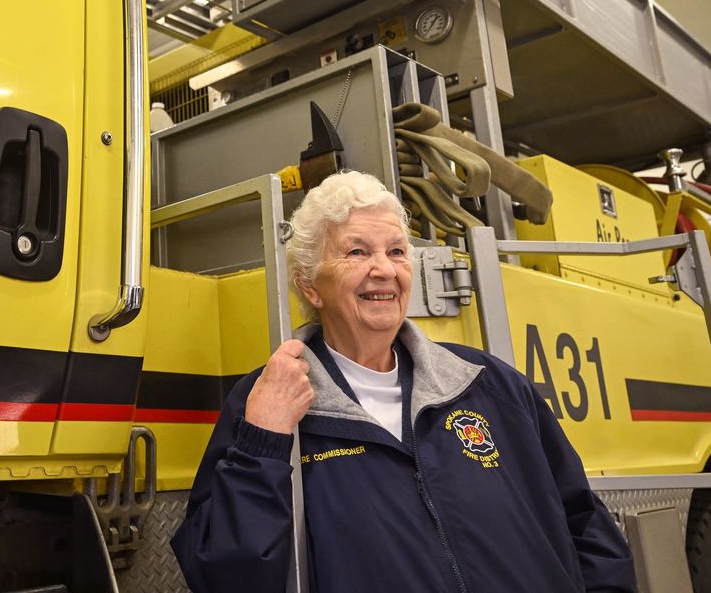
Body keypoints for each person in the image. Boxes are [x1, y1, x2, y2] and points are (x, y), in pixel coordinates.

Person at [171, 170, 636, 592]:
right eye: (357, 252)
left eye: (396, 251)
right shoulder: (265, 402)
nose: (385, 269)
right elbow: (225, 576)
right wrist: (262, 443)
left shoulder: (488, 384)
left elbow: (584, 522)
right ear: (311, 286)